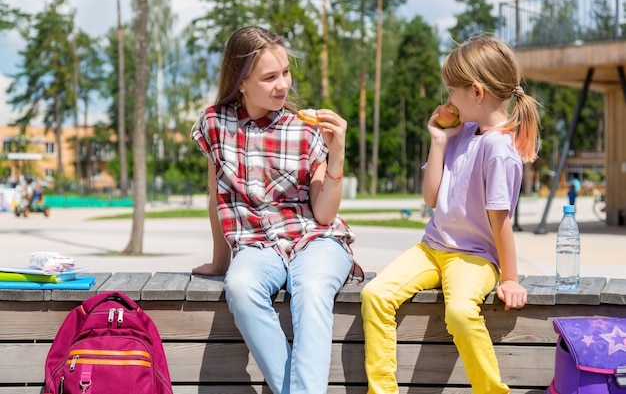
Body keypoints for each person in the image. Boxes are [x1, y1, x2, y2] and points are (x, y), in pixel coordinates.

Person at [360, 35, 541, 394]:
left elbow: (500, 221)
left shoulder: (498, 149)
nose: (447, 100)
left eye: (451, 91)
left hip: (473, 258)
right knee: (374, 295)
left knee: (459, 312)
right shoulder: (461, 134)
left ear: (475, 92)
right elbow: (431, 198)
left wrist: (510, 279)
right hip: (431, 248)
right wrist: (439, 140)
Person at [189, 26, 363, 394]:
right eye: (269, 77)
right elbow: (216, 196)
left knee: (312, 288)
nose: (282, 85)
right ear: (241, 82)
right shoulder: (215, 124)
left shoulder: (305, 128)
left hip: (315, 238)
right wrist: (221, 262)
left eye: (285, 72)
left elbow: (325, 214)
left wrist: (337, 154)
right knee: (239, 285)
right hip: (256, 245)